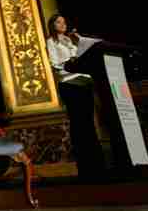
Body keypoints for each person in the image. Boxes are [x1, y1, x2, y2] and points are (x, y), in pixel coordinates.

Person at [45, 13, 105, 179]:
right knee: (79, 124)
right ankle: (85, 166)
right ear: (52, 25)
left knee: (89, 123)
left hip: (84, 82)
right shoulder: (51, 42)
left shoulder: (71, 40)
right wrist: (72, 65)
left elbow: (85, 55)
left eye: (64, 22)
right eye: (58, 22)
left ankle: (97, 165)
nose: (63, 24)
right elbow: (54, 64)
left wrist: (78, 41)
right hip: (69, 84)